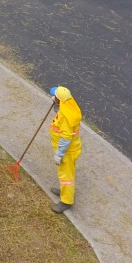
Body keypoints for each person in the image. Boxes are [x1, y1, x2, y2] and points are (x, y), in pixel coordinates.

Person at [48, 85, 83, 213]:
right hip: (70, 149)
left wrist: (59, 154)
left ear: (60, 100)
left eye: (55, 97)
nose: (53, 97)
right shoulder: (69, 107)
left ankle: (66, 201)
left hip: (67, 152)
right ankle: (64, 192)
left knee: (66, 177)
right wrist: (57, 106)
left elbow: (66, 137)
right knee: (65, 176)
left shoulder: (66, 118)